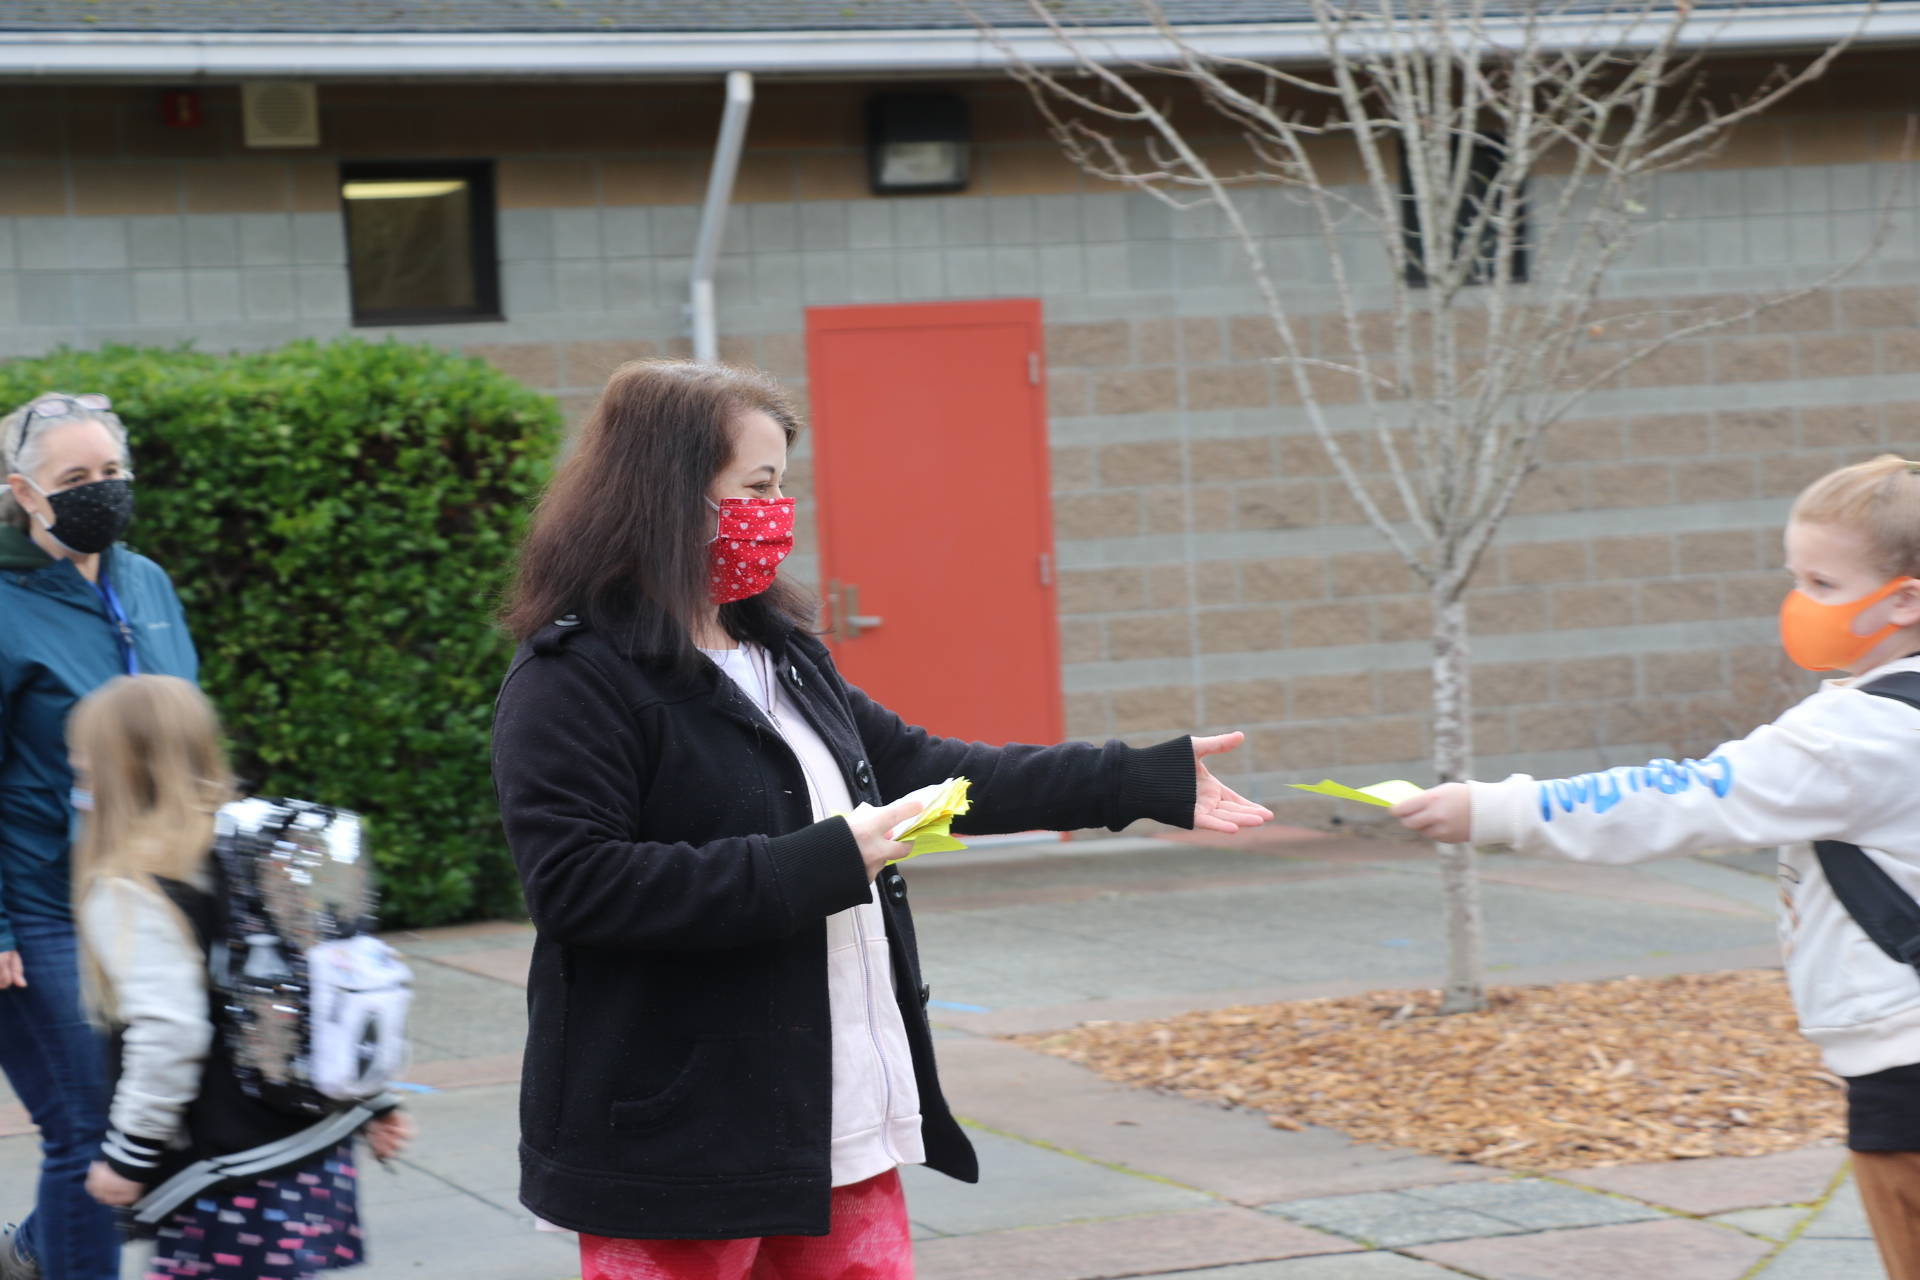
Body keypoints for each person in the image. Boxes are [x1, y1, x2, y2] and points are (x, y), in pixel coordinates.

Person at [492, 359, 1274, 1279]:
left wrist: (1134, 781)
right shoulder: (570, 682)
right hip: (679, 1135)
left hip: (833, 1111)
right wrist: (827, 859)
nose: (777, 511)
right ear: (669, 494)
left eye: (781, 486)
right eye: (759, 486)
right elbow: (581, 887)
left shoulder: (782, 654)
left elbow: (924, 771)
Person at [1390, 454, 1920, 1280]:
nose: (1798, 603)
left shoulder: (1858, 736)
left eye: (1820, 583)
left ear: (1905, 598)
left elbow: (1681, 798)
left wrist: (1495, 810)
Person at [65, 674, 414, 1280]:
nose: (79, 791)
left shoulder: (131, 882)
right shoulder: (259, 843)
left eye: (84, 775)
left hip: (229, 1171)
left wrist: (128, 1156)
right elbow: (328, 971)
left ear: (117, 776)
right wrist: (372, 1098)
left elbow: (169, 1034)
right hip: (312, 1146)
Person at [0, 392, 197, 1280]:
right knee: (86, 1128)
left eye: (111, 471)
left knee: (132, 1121)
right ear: (23, 493)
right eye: (75, 478)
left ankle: (39, 1252)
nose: (101, 491)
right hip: (36, 904)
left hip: (138, 893)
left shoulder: (145, 580)